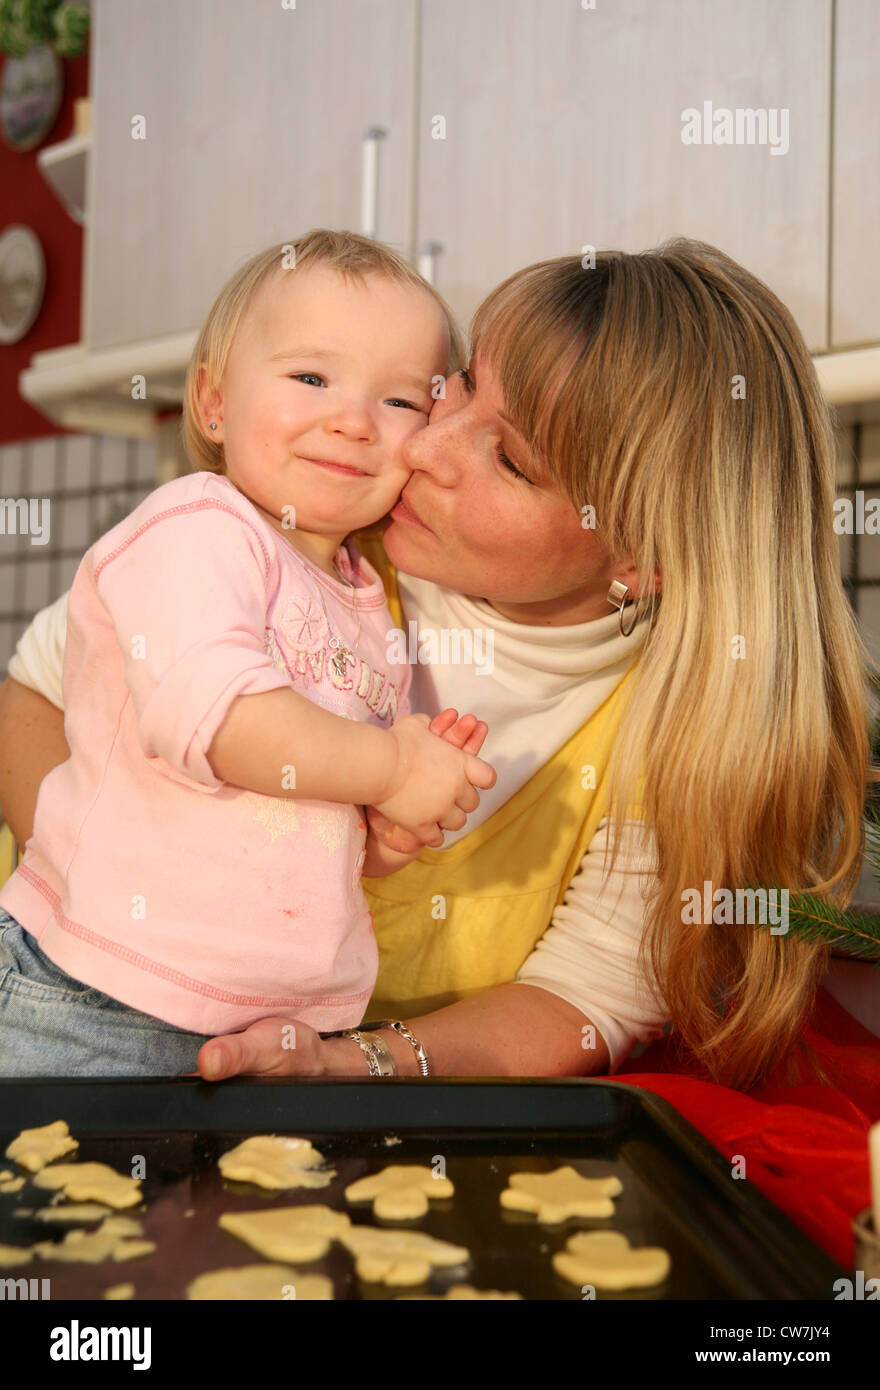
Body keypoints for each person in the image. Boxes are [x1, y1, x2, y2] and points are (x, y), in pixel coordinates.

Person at [0, 235, 870, 1091]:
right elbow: (35, 691)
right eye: (455, 390)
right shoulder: (316, 528)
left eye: (511, 460)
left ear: (643, 558)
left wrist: (348, 1060)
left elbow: (582, 996)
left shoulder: (674, 725)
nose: (422, 448)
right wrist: (128, 923)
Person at [0, 229, 496, 1076]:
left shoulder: (366, 601)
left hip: (266, 1031)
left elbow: (305, 821)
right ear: (214, 401)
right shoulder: (195, 528)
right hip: (94, 999)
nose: (351, 420)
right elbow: (226, 723)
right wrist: (389, 767)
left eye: (400, 402)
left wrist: (386, 831)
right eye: (311, 377)